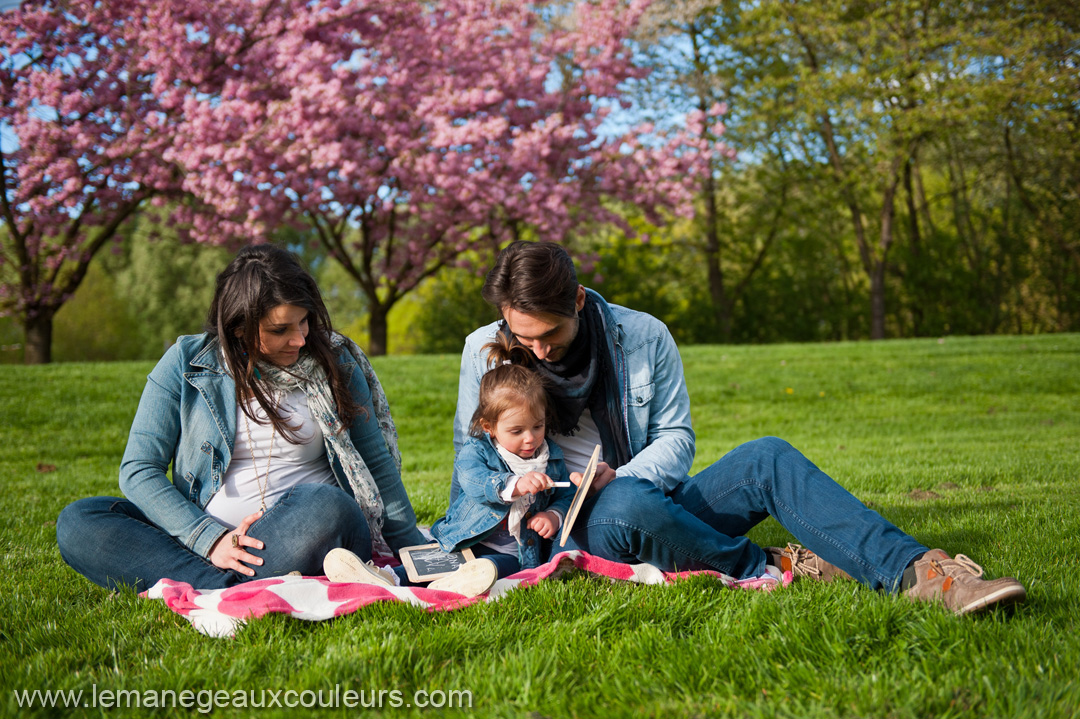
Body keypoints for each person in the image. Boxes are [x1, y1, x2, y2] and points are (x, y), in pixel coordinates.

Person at [453, 241, 1027, 616]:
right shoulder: (484, 349)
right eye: (522, 335)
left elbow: (676, 438)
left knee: (767, 457)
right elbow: (471, 450)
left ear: (577, 300)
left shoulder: (643, 335)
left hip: (646, 497)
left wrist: (613, 477)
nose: (536, 348)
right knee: (627, 501)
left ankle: (926, 574)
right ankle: (771, 564)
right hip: (566, 531)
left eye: (548, 332)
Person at [56, 244, 427, 593]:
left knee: (330, 505)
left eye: (304, 322)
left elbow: (375, 463)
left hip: (304, 532)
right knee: (80, 520)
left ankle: (212, 587)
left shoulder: (336, 361)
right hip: (201, 542)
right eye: (280, 330)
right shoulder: (186, 361)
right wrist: (210, 539)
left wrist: (413, 552)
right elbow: (139, 469)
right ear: (238, 327)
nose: (299, 339)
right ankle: (229, 588)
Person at [431, 334, 575, 577]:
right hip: (468, 540)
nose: (530, 438)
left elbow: (566, 493)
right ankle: (388, 576)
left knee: (493, 570)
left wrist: (554, 514)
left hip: (513, 553)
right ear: (489, 427)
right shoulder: (477, 451)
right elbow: (473, 481)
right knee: (431, 566)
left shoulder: (549, 458)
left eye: (537, 426)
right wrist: (514, 484)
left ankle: (468, 581)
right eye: (517, 431)